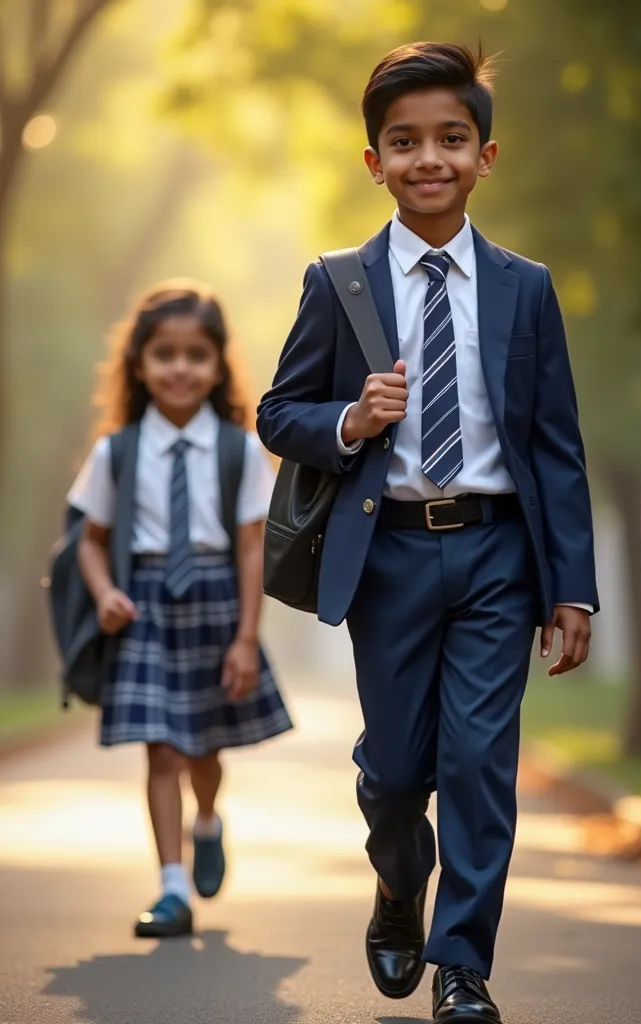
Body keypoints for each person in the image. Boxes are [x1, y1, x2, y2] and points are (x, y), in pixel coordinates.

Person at [257, 42, 598, 1024]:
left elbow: (556, 447)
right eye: (403, 143)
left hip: (498, 553)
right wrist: (349, 421)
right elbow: (279, 411)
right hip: (390, 552)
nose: (428, 158)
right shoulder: (340, 282)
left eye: (450, 138)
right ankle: (399, 880)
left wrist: (569, 586)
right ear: (374, 162)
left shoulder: (525, 287)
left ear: (485, 154)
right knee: (399, 770)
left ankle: (462, 966)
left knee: (478, 762)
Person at [69, 281, 292, 938]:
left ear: (219, 365)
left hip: (217, 602)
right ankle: (171, 889)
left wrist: (247, 638)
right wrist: (106, 591)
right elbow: (89, 539)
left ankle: (207, 821)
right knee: (161, 748)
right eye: (164, 354)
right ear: (138, 364)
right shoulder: (117, 450)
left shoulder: (240, 449)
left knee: (205, 749)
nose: (180, 368)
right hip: (143, 606)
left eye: (196, 354)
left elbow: (253, 550)